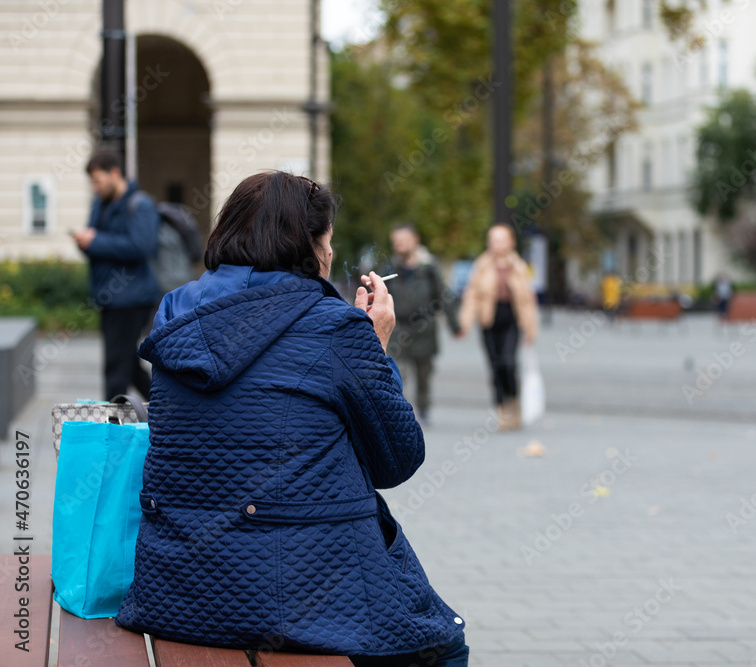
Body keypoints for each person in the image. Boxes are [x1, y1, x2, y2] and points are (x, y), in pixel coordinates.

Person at [115, 172, 469, 666]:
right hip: (303, 599)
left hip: (179, 591)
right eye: (327, 241)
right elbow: (398, 459)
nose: (329, 254)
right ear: (307, 245)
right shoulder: (335, 330)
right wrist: (376, 346)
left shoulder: (175, 315)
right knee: (445, 649)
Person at [73, 150, 160, 400]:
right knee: (127, 365)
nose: (95, 187)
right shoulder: (99, 203)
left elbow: (141, 247)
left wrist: (96, 241)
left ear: (115, 173)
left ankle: (110, 427)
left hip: (131, 298)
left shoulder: (141, 205)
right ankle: (168, 409)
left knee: (115, 367)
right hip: (109, 297)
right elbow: (97, 244)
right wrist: (85, 243)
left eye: (98, 181)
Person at [458, 223, 539, 431]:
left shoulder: (519, 266)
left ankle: (514, 401)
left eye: (501, 239)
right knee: (495, 366)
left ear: (511, 242)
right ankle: (502, 408)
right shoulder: (482, 265)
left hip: (511, 319)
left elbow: (528, 299)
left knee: (509, 362)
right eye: (493, 240)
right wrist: (465, 322)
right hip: (489, 320)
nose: (497, 244)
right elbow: (472, 295)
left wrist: (531, 328)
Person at [385, 222, 461, 425]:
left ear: (415, 241)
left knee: (423, 374)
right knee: (396, 372)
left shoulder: (429, 268)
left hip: (424, 328)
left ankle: (424, 408)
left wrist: (456, 326)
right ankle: (399, 413)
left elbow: (444, 296)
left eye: (403, 241)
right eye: (396, 242)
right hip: (398, 328)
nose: (399, 246)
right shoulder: (390, 269)